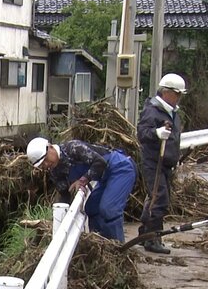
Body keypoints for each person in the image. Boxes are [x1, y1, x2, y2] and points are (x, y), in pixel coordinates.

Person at [26, 137, 136, 242]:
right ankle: (101, 244)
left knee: (109, 209)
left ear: (50, 147)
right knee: (91, 208)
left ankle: (117, 247)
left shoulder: (72, 148)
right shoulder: (55, 172)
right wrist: (60, 220)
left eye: (45, 159)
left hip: (119, 168)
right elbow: (65, 194)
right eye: (42, 164)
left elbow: (99, 162)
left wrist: (83, 180)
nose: (46, 164)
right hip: (105, 177)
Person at [136, 73, 186, 254]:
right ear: (166, 92)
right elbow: (142, 134)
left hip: (165, 163)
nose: (178, 97)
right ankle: (153, 239)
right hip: (153, 162)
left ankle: (144, 233)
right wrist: (156, 133)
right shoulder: (153, 110)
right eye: (177, 94)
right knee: (159, 199)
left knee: (153, 198)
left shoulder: (171, 112)